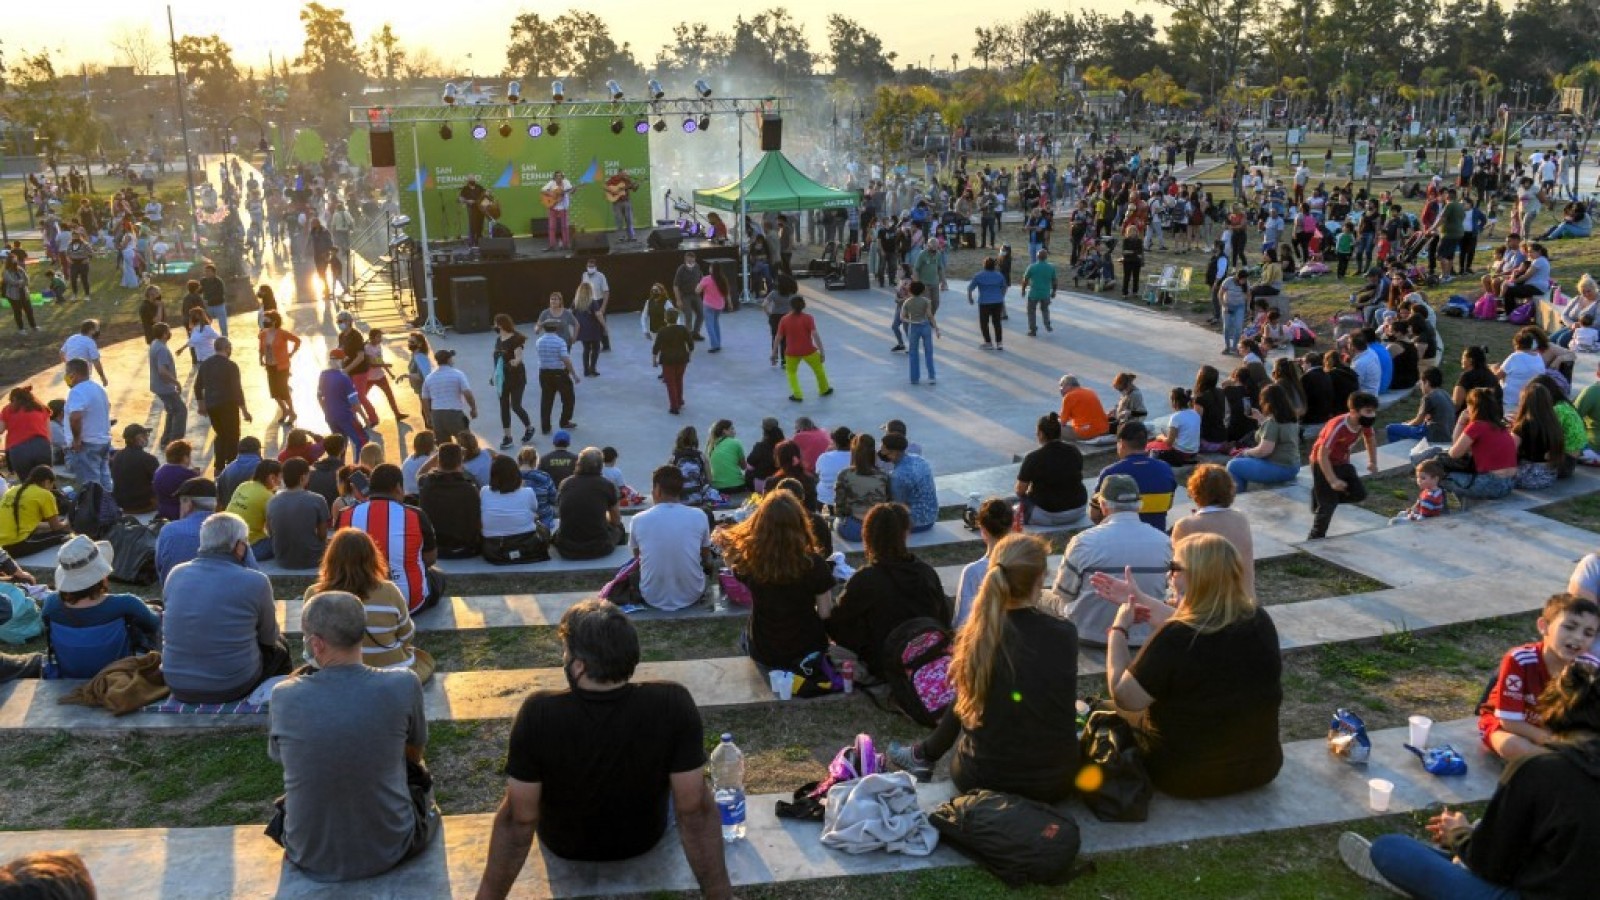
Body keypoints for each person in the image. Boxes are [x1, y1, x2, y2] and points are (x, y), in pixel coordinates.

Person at [474, 599, 733, 900]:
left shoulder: (538, 713)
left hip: (565, 845)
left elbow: (519, 818)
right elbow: (693, 809)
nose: (564, 658)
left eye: (566, 651)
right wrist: (721, 896)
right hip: (643, 838)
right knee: (698, 793)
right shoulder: (672, 703)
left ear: (579, 665)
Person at [1343, 656, 1600, 899]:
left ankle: (1431, 878)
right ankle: (1453, 863)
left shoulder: (1539, 769)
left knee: (1390, 848)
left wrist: (1459, 835)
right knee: (1480, 838)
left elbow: (1492, 867)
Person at [887, 534, 1079, 802]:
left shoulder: (976, 638)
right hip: (1056, 781)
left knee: (972, 686)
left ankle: (925, 754)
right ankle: (924, 753)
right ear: (1039, 579)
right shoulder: (1064, 634)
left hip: (985, 777)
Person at [1093, 532, 1283, 798]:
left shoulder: (1175, 638)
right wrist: (1138, 598)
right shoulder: (1259, 620)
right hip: (1261, 768)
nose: (1168, 575)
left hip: (1185, 777)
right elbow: (1205, 628)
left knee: (1107, 708)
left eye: (1174, 567)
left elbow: (1125, 697)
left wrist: (1118, 629)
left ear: (1198, 576)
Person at [268, 591, 437, 883]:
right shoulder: (404, 684)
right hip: (391, 846)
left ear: (316, 644)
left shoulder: (284, 696)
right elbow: (414, 754)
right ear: (362, 631)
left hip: (308, 852)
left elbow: (282, 757)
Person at [161, 512, 290, 703]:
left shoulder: (176, 574)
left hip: (176, 683)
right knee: (281, 646)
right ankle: (277, 704)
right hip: (231, 686)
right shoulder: (255, 581)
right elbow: (269, 638)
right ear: (239, 546)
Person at [715, 491, 835, 671]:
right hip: (807, 647)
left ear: (759, 524)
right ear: (800, 522)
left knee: (745, 637)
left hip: (764, 648)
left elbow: (729, 560)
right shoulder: (814, 563)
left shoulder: (749, 561)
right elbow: (825, 612)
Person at [828, 502, 949, 677]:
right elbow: (943, 618)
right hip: (925, 656)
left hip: (884, 664)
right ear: (906, 533)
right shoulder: (925, 573)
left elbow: (838, 626)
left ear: (867, 535)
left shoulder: (865, 579)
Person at [1052, 474, 1172, 647]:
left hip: (1089, 635)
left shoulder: (1083, 541)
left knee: (1044, 599)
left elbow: (1064, 594)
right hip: (1146, 637)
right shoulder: (1165, 542)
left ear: (1103, 505)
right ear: (1140, 504)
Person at [40, 535, 163, 674]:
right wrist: (155, 610)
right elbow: (154, 624)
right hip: (117, 675)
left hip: (69, 673)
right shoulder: (126, 604)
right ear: (101, 573)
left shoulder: (51, 603)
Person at [337, 464, 446, 614]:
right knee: (437, 576)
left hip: (356, 602)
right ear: (398, 488)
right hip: (409, 603)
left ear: (370, 487)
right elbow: (430, 558)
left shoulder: (345, 515)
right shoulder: (416, 515)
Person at [626, 465, 714, 612]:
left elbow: (638, 557)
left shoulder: (638, 519)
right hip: (693, 593)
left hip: (651, 595)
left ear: (657, 490)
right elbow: (705, 554)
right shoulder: (699, 515)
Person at [1171, 464, 1257, 595]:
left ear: (1195, 492)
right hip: (1244, 598)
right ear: (1230, 490)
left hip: (1205, 601)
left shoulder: (1185, 526)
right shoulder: (1241, 519)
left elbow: (1178, 573)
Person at [1308, 391, 1380, 540]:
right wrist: (1332, 480)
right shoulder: (1338, 426)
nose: (1372, 415)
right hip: (1321, 463)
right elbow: (1322, 455)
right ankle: (1314, 538)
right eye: (1368, 411)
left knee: (1359, 494)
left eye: (1373, 411)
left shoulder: (1363, 423)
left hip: (1342, 463)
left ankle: (1320, 495)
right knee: (1328, 505)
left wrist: (1373, 461)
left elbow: (1370, 439)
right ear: (1353, 412)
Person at [1094, 421, 1178, 530]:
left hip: (1120, 534)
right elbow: (1169, 504)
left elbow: (1095, 514)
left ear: (1122, 443)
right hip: (1156, 533)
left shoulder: (1109, 474)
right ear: (1146, 443)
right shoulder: (1165, 469)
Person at [1443, 388, 1520, 500]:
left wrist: (1460, 422)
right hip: (1509, 483)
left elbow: (1454, 454)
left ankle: (1438, 504)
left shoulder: (1477, 426)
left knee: (1439, 476)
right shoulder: (1500, 426)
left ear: (1473, 407)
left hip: (1490, 483)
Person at [1226, 383, 1302, 492]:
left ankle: (1239, 496)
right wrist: (1260, 418)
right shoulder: (1291, 418)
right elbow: (1273, 433)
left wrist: (1246, 452)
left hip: (1280, 468)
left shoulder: (1273, 422)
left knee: (1233, 465)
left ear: (1267, 402)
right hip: (1293, 466)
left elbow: (1264, 451)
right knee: (1241, 459)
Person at [1015, 413, 1087, 526]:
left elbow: (1020, 490)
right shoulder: (1074, 451)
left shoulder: (1033, 458)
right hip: (1078, 510)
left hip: (1049, 514)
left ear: (1041, 434)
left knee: (1012, 503)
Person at [554, 448, 624, 560]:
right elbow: (616, 520)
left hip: (567, 548)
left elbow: (563, 513)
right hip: (598, 547)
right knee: (620, 527)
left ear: (578, 464)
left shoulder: (565, 484)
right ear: (601, 466)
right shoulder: (607, 485)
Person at [195, 338, 252, 475]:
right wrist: (244, 411)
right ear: (227, 348)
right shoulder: (231, 366)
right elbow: (237, 390)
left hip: (212, 406)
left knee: (221, 435)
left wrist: (201, 406)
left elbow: (197, 386)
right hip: (228, 406)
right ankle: (231, 467)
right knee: (232, 436)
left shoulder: (206, 364)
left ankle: (219, 466)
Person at [418, 442, 483, 559]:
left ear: (438, 461)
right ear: (461, 462)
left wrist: (437, 456)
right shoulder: (470, 488)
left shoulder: (425, 483)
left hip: (437, 549)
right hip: (467, 549)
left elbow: (420, 473)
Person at [266, 458, 331, 570]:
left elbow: (270, 532)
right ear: (302, 478)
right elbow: (322, 535)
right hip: (313, 558)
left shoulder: (272, 501)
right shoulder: (318, 499)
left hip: (282, 559)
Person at [480, 456, 544, 564]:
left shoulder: (484, 491)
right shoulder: (528, 492)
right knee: (542, 527)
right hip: (526, 544)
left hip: (493, 549)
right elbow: (534, 510)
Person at [63, 358, 114, 490]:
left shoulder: (77, 391)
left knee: (90, 486)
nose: (66, 377)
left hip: (87, 444)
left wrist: (76, 439)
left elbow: (75, 417)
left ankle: (95, 504)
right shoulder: (98, 389)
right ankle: (108, 502)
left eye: (67, 373)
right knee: (105, 480)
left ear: (73, 374)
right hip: (103, 441)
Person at [772, 295, 831, 403]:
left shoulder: (784, 319)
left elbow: (778, 337)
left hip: (791, 352)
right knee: (819, 370)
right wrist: (822, 351)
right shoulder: (808, 318)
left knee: (791, 373)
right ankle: (824, 389)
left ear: (790, 306)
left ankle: (797, 394)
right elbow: (815, 335)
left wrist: (774, 352)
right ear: (803, 305)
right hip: (809, 351)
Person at [832, 434, 889, 542]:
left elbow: (839, 507)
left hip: (853, 530)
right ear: (873, 452)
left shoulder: (844, 474)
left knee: (836, 521)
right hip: (878, 529)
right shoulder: (883, 476)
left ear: (853, 452)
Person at [490, 314, 535, 449]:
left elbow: (519, 356)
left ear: (501, 324)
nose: (494, 326)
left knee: (515, 405)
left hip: (517, 378)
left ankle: (529, 427)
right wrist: (494, 375)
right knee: (503, 406)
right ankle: (507, 437)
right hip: (502, 379)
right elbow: (497, 361)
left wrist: (515, 362)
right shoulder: (498, 340)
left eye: (495, 323)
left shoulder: (516, 339)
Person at [419, 349, 477, 442]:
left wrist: (428, 417)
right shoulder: (458, 374)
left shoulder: (429, 377)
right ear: (449, 360)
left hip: (437, 416)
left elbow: (424, 399)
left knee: (444, 446)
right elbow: (467, 393)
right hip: (455, 414)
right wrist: (473, 409)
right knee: (466, 443)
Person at [882, 432, 936, 532]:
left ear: (894, 453)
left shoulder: (898, 476)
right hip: (931, 516)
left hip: (917, 523)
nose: (881, 453)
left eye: (884, 450)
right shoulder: (919, 459)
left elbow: (898, 506)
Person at [0, 387, 54, 486]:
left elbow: (0, 429)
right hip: (41, 446)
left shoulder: (8, 409)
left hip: (19, 450)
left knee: (27, 483)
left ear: (13, 399)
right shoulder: (40, 407)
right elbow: (48, 432)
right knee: (47, 480)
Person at [534, 320, 580, 434]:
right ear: (557, 328)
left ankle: (545, 427)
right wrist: (574, 374)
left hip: (544, 373)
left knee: (546, 400)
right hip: (559, 373)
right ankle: (564, 421)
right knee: (568, 398)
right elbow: (565, 359)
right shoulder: (560, 341)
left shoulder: (539, 341)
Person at [257, 311, 301, 425]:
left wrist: (291, 353)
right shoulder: (263, 334)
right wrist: (260, 358)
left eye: (266, 320)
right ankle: (284, 411)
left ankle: (292, 413)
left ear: (274, 321)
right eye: (264, 320)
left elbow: (297, 340)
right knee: (274, 392)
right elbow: (261, 348)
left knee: (283, 391)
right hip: (270, 366)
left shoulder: (282, 333)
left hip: (282, 366)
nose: (264, 322)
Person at [147, 323, 186, 447]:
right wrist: (176, 382)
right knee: (181, 411)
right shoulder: (162, 349)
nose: (170, 333)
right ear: (164, 334)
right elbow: (162, 371)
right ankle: (175, 444)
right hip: (165, 388)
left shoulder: (154, 344)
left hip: (158, 386)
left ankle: (165, 441)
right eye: (168, 331)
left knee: (171, 411)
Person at [651, 307, 694, 415]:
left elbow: (656, 347)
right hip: (682, 359)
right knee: (679, 380)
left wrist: (654, 360)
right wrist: (689, 356)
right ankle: (679, 400)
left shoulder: (662, 331)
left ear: (665, 319)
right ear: (677, 318)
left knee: (671, 383)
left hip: (667, 360)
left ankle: (674, 406)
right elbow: (691, 345)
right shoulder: (683, 329)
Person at [109, 423, 159, 514]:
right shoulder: (148, 459)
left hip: (121, 503)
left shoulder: (117, 456)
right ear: (138, 438)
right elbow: (159, 482)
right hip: (143, 505)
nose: (147, 438)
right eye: (145, 435)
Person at [901, 280, 941, 385]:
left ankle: (914, 378)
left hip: (914, 327)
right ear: (923, 290)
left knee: (913, 352)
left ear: (910, 290)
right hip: (925, 326)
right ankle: (931, 377)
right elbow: (930, 316)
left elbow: (902, 317)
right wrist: (936, 328)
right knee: (929, 352)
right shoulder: (926, 301)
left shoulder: (907, 302)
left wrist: (912, 321)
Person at [966, 255, 1009, 350]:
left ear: (984, 265)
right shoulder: (999, 275)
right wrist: (1001, 296)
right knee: (997, 322)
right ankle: (999, 343)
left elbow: (970, 288)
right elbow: (1005, 287)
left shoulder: (979, 276)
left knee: (984, 323)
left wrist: (970, 298)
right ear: (994, 266)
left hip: (984, 302)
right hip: (997, 302)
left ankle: (988, 342)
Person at [152, 440, 199, 521]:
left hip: (162, 510)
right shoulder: (187, 475)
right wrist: (196, 476)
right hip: (180, 514)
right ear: (185, 458)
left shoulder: (159, 471)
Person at [1056, 374, 1110, 441]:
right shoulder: (1090, 391)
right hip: (1104, 430)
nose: (1060, 389)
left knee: (1053, 427)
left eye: (1061, 385)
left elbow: (1063, 422)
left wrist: (1056, 420)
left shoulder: (1069, 396)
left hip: (1088, 432)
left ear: (1068, 385)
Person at [59, 318, 109, 386]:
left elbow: (61, 353)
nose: (98, 331)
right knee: (87, 389)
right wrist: (102, 377)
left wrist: (68, 364)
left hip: (68, 378)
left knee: (74, 389)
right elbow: (96, 362)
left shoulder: (72, 337)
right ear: (91, 331)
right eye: (97, 329)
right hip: (81, 378)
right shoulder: (90, 342)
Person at [705, 420, 747, 498]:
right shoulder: (735, 442)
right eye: (732, 429)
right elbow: (744, 466)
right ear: (724, 431)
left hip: (718, 487)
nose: (734, 431)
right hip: (737, 486)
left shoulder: (711, 446)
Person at [1021, 248, 1056, 336]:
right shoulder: (1051, 267)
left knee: (1031, 311)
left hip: (1033, 294)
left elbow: (1025, 280)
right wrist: (1054, 291)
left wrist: (1023, 290)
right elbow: (1054, 281)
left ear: (1037, 257)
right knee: (1045, 309)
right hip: (1045, 294)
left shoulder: (1032, 267)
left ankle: (1032, 330)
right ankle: (1047, 324)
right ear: (1046, 257)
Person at [695, 264, 730, 353]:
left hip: (709, 305)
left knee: (709, 325)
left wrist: (699, 283)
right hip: (719, 305)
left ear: (712, 269)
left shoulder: (706, 279)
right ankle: (718, 343)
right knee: (715, 323)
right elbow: (727, 292)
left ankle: (715, 345)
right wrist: (730, 303)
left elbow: (697, 291)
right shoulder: (723, 279)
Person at [672, 250, 706, 340]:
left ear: (695, 260)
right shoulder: (681, 269)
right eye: (689, 261)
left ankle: (696, 333)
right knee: (688, 315)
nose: (691, 263)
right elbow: (675, 286)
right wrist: (678, 300)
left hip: (696, 294)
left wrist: (702, 288)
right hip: (685, 296)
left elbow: (701, 279)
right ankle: (688, 336)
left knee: (701, 314)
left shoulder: (697, 267)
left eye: (692, 261)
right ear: (685, 260)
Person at [541, 170, 574, 250]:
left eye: (560, 176)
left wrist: (573, 190)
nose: (559, 177)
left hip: (563, 207)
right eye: (557, 176)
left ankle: (566, 244)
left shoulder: (566, 182)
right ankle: (552, 245)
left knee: (564, 226)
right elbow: (542, 190)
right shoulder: (551, 183)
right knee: (552, 227)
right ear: (554, 177)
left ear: (562, 177)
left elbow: (571, 191)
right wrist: (552, 194)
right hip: (553, 207)